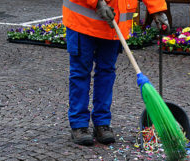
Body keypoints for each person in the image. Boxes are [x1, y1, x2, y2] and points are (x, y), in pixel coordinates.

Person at [62, 0, 170, 146]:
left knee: (106, 73)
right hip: (82, 22)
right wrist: (97, 2)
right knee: (81, 73)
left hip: (113, 24)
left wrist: (157, 10)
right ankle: (79, 125)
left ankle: (102, 123)